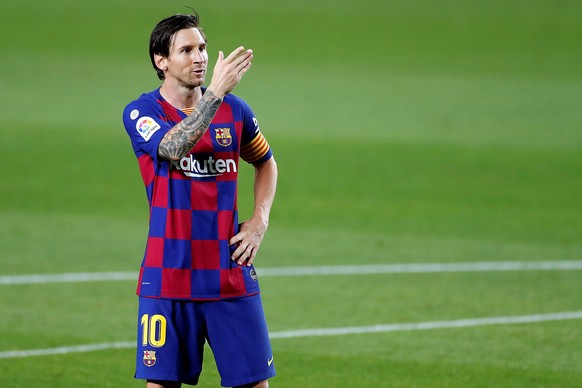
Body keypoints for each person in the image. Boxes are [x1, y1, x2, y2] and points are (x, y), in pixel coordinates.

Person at [122, 11, 278, 388]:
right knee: (161, 384)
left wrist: (259, 221)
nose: (200, 58)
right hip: (168, 276)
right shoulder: (142, 112)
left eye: (203, 48)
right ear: (161, 61)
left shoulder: (235, 112)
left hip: (228, 274)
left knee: (254, 383)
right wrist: (215, 94)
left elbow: (266, 163)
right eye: (187, 50)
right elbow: (173, 146)